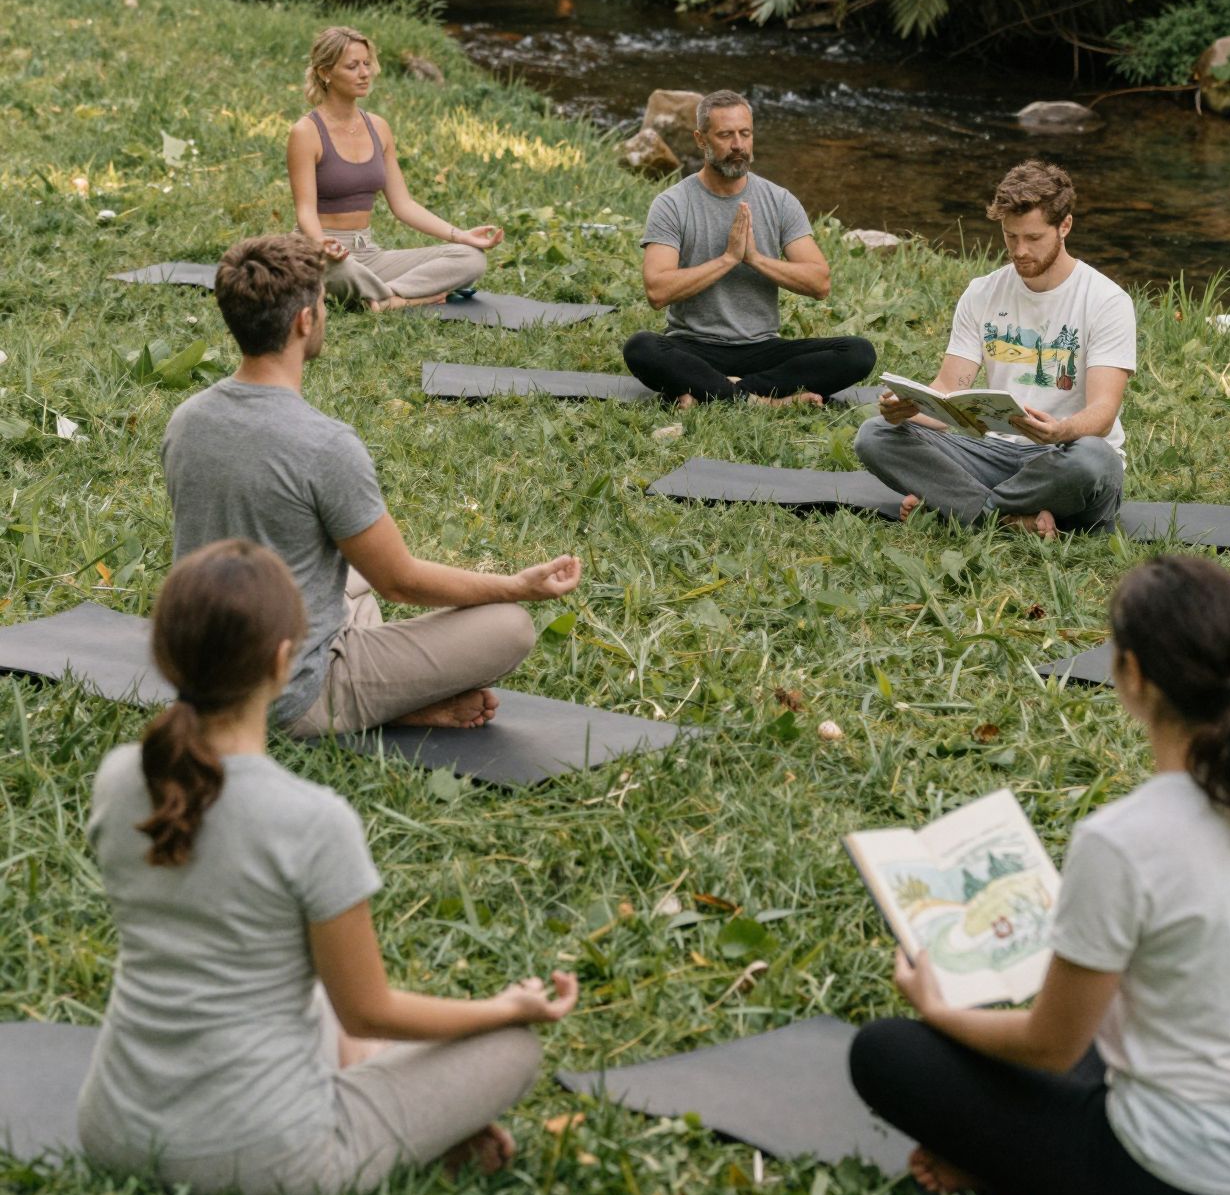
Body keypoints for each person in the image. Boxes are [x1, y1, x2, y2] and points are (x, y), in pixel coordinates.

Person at [849, 556, 1230, 1195]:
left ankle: (994, 1166)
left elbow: (1049, 1047)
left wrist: (938, 1012)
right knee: (1090, 1033)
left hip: (1176, 1173)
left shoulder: (1120, 841)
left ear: (1132, 674)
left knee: (883, 1053)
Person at [77, 540, 578, 1195]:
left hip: (114, 1129)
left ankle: (408, 1109)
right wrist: (500, 1008)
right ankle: (415, 1121)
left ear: (165, 655)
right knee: (514, 1049)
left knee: (295, 980)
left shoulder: (119, 778)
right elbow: (367, 1011)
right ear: (285, 662)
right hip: (271, 1159)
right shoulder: (311, 819)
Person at [162, 233, 582, 737]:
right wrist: (517, 586)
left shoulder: (186, 419)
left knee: (352, 578)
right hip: (288, 697)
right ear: (304, 320)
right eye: (322, 302)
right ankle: (380, 705)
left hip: (204, 676)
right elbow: (400, 582)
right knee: (509, 626)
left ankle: (387, 695)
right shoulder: (325, 444)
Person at [854, 161, 1132, 535]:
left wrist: (1062, 430)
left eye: (1033, 238)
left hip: (1064, 456)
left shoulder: (1106, 300)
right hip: (995, 455)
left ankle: (962, 507)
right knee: (875, 436)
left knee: (1094, 461)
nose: (1019, 251)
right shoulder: (983, 291)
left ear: (1064, 226)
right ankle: (1010, 520)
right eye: (1009, 236)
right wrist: (908, 409)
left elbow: (1103, 411)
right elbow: (949, 391)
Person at [621, 90, 876, 406]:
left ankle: (714, 391)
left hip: (762, 350)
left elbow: (819, 283)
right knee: (640, 347)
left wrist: (754, 258)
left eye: (745, 134)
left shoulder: (779, 201)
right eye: (726, 135)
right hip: (693, 347)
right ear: (701, 140)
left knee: (858, 352)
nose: (738, 145)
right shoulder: (673, 204)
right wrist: (728, 259)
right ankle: (764, 400)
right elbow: (657, 291)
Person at [288, 23, 501, 310]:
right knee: (344, 271)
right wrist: (321, 243)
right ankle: (411, 296)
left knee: (471, 258)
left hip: (369, 254)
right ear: (326, 73)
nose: (365, 73)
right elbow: (305, 211)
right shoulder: (306, 132)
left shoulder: (379, 128)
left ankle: (386, 298)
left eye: (366, 63)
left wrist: (460, 235)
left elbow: (403, 205)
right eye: (352, 66)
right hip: (322, 252)